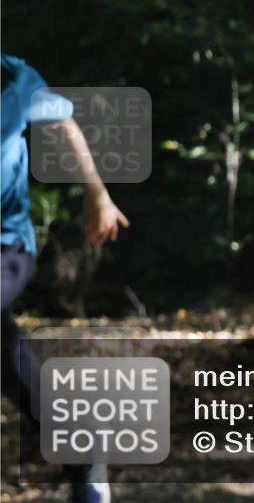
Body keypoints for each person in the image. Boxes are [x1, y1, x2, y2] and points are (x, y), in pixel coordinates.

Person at [2, 55, 129, 503]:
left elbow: (64, 123)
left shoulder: (13, 81)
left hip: (7, 248)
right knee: (7, 357)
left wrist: (97, 193)